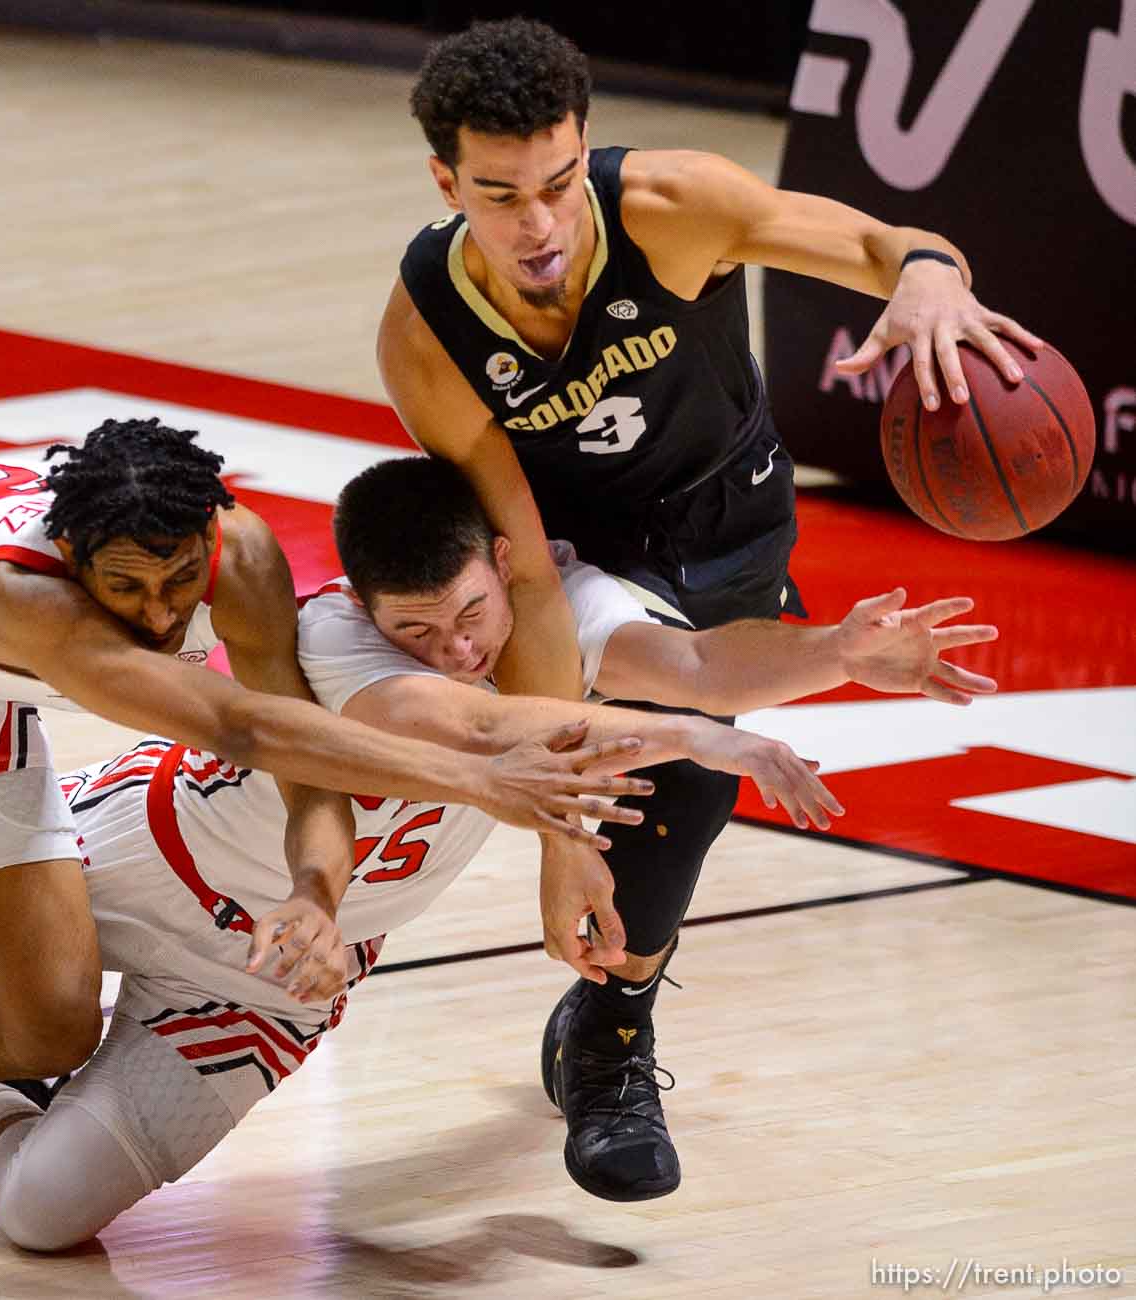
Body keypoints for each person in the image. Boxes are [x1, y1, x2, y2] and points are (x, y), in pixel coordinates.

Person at [0, 456, 996, 1244]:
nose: (452, 644)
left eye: (469, 615)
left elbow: (704, 660)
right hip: (148, 846)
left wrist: (836, 654)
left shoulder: (562, 607)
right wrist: (706, 746)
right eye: (419, 627)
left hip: (268, 981)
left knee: (39, 1216)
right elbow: (474, 725)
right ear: (360, 607)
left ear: (507, 571)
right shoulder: (335, 642)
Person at [377, 17, 1031, 1199]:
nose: (539, 224)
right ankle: (616, 1043)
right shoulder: (427, 334)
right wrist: (555, 835)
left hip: (736, 520)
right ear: (443, 180)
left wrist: (930, 283)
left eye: (561, 182)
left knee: (692, 800)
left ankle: (602, 1007)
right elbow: (522, 569)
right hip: (580, 556)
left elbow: (895, 242)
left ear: (587, 151)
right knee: (669, 765)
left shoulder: (676, 204)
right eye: (500, 194)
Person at [0, 417, 650, 1167]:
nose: (161, 616)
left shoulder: (239, 555)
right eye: (127, 589)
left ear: (210, 535)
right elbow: (243, 729)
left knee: (49, 1027)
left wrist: (314, 892)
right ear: (70, 553)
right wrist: (482, 780)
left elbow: (302, 762)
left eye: (178, 581)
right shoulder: (16, 598)